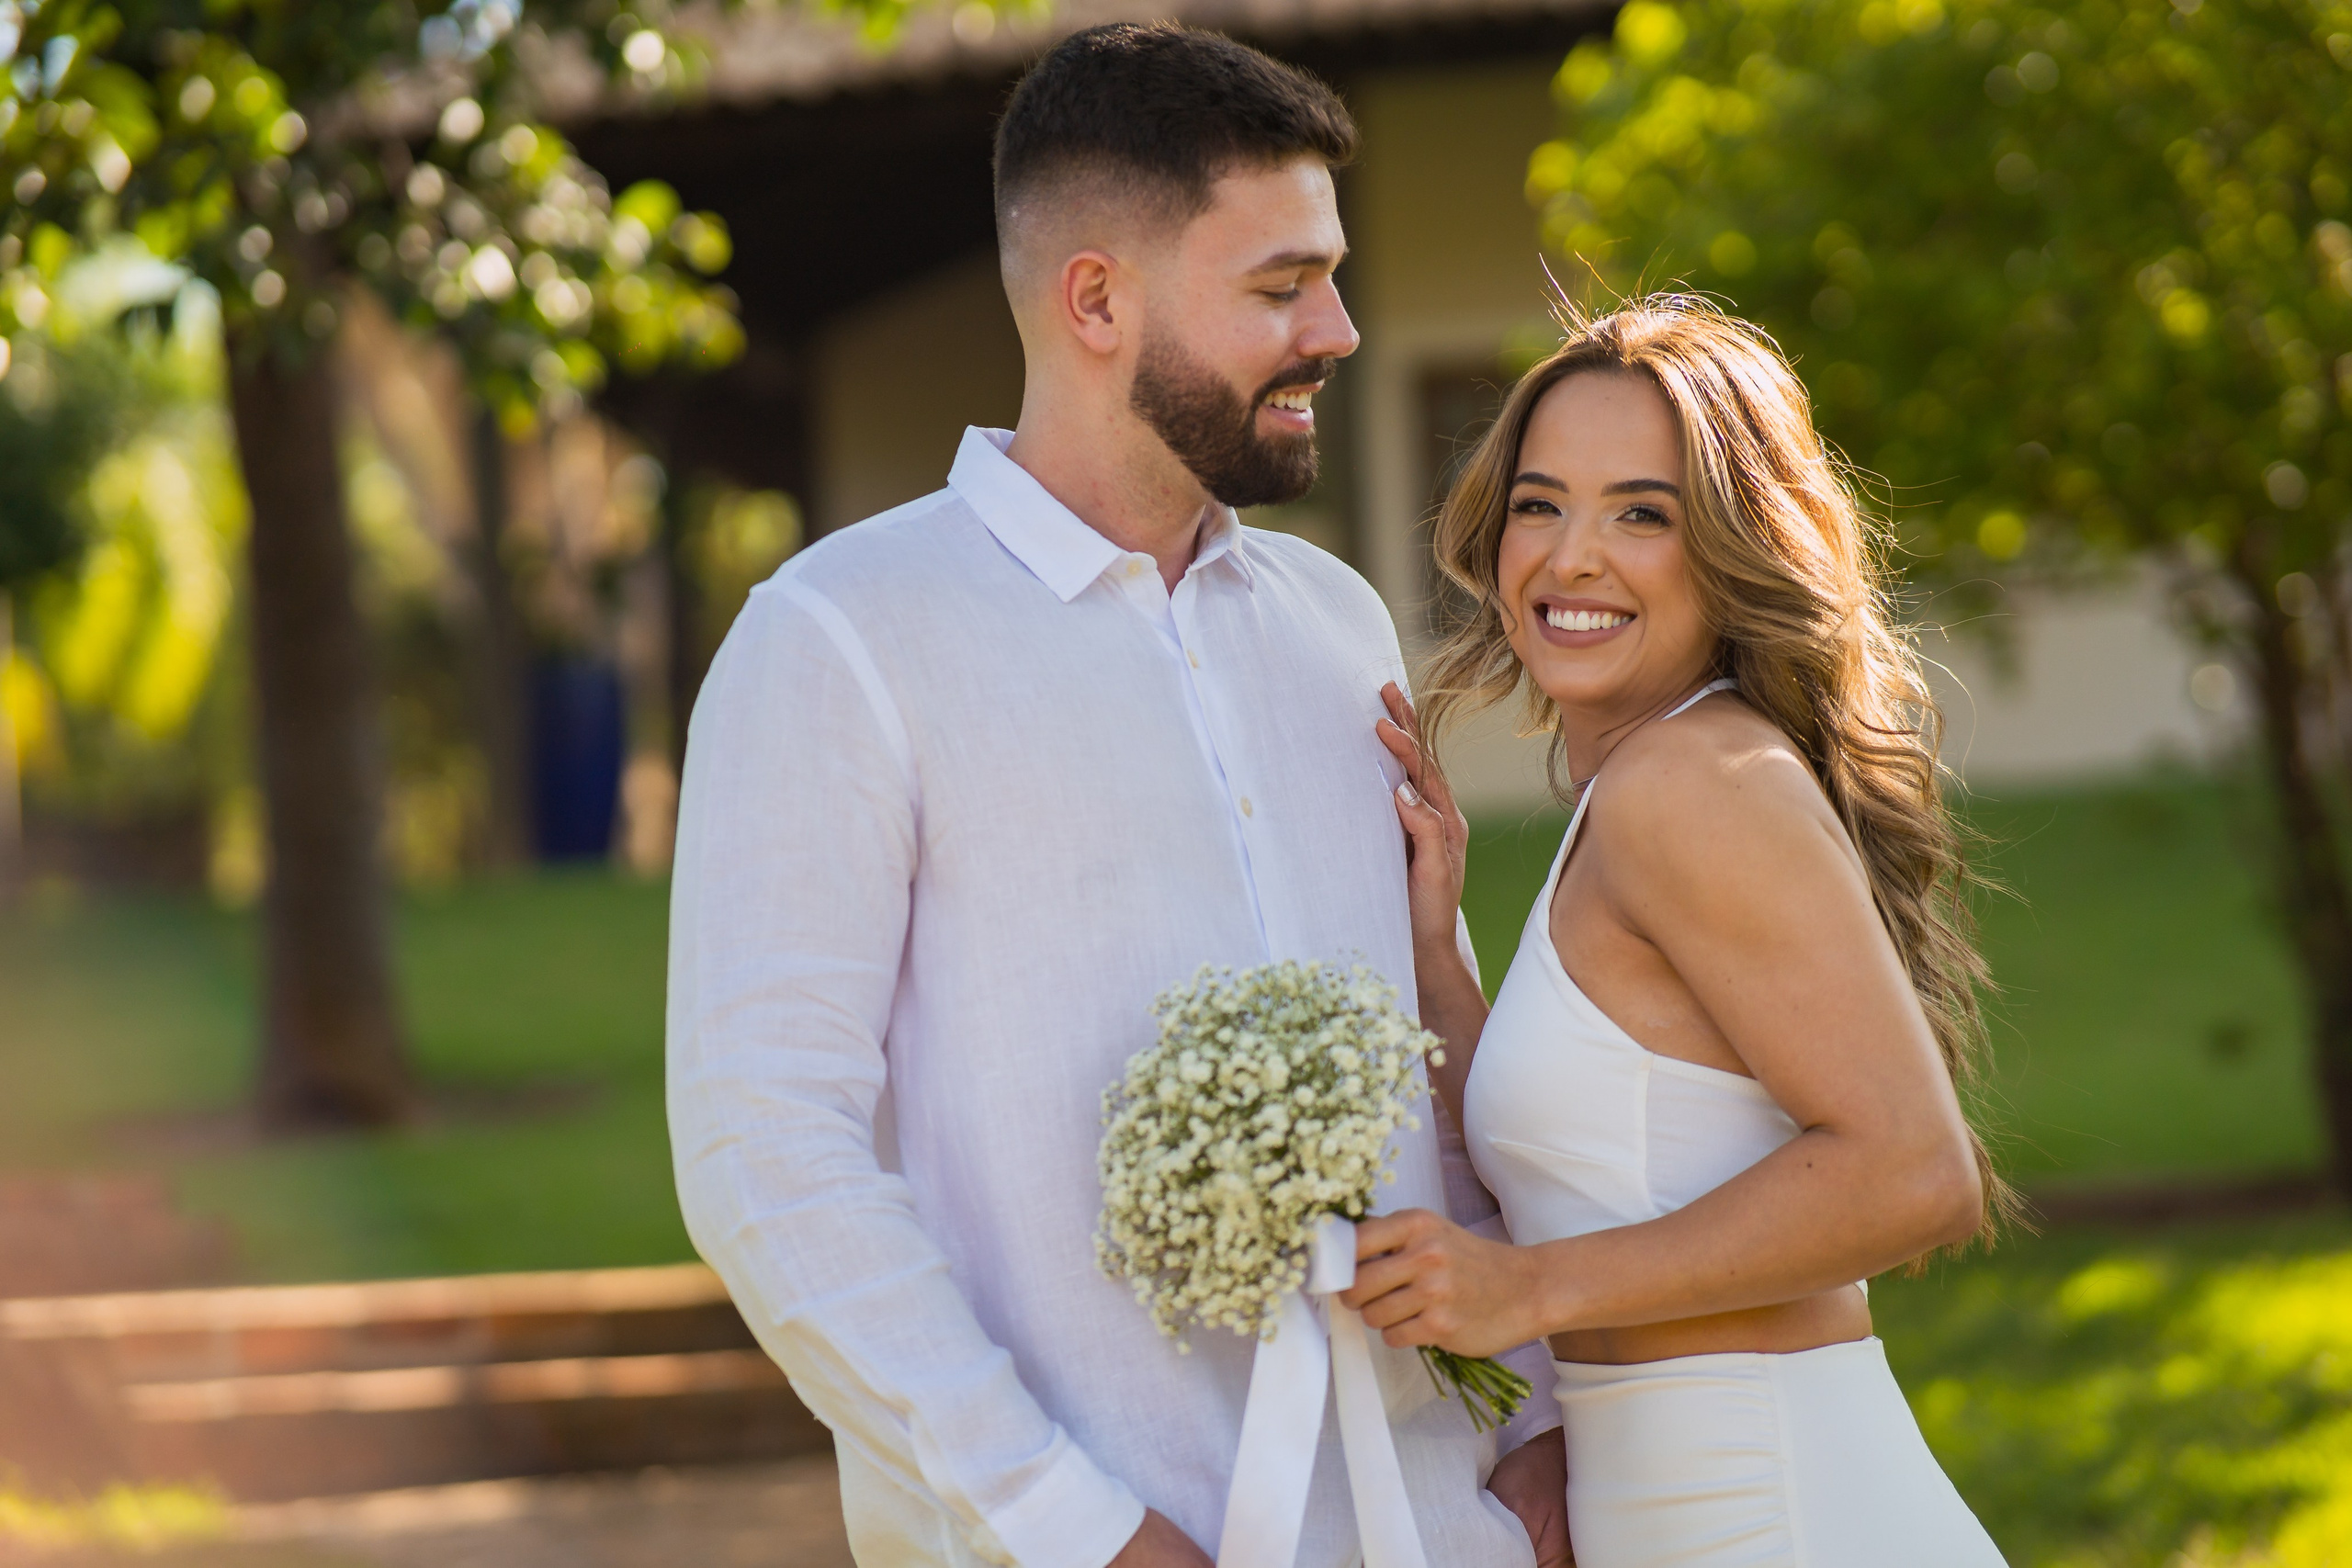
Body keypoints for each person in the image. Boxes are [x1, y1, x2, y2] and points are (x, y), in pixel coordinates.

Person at [667, 23, 1566, 1568]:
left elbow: (1435, 1054)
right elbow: (765, 1154)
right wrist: (1068, 1528)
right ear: (1097, 298)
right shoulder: (837, 642)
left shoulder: (1337, 622)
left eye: (1333, 275)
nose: (1339, 329)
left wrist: (1536, 1443)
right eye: (1282, 286)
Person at [1343, 297, 2013, 1566]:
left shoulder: (1692, 785)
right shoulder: (1638, 788)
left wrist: (1527, 1293)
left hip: (1783, 1510)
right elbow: (1603, 1161)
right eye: (1541, 504)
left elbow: (1913, 1173)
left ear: (1728, 548)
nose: (1573, 557)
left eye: (1641, 514)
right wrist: (1436, 955)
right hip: (1681, 1506)